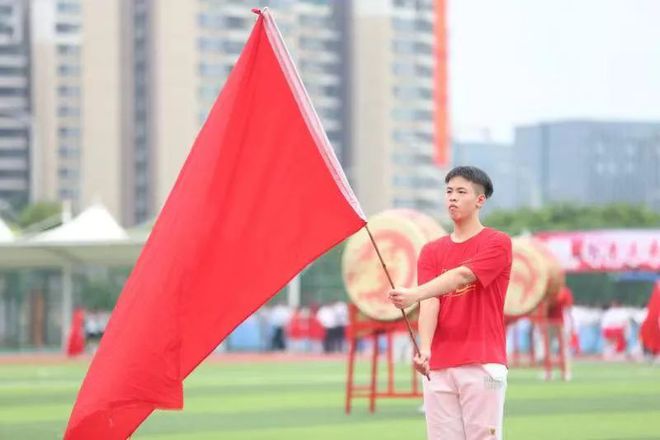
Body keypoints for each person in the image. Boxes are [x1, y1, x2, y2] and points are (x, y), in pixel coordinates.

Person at [388, 166, 512, 440]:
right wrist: (427, 349)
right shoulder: (431, 251)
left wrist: (413, 293)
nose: (452, 198)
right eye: (448, 192)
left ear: (480, 200)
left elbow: (463, 275)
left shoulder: (497, 242)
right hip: (440, 366)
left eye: (461, 192)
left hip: (484, 364)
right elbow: (431, 303)